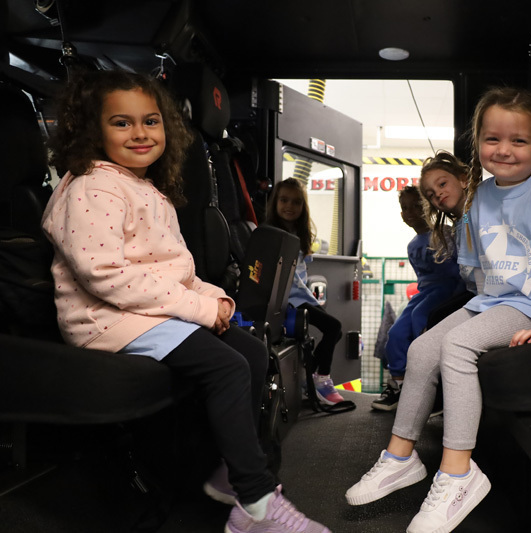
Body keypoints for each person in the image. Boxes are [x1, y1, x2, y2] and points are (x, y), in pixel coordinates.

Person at [41, 69, 329, 533]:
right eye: (121, 122)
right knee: (228, 365)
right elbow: (104, 276)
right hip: (107, 320)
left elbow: (176, 270)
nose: (140, 133)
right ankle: (253, 504)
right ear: (92, 129)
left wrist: (217, 302)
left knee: (251, 352)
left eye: (150, 121)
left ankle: (224, 467)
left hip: (143, 314)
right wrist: (197, 309)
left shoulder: (147, 189)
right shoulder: (92, 187)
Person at [345, 87, 531, 533]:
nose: (504, 150)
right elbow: (477, 274)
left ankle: (459, 473)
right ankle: (400, 459)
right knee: (423, 349)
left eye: (520, 141)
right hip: (496, 301)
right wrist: (483, 304)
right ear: (477, 141)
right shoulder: (480, 197)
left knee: (457, 345)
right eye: (493, 139)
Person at [372, 174, 465, 411]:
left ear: (429, 206)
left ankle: (427, 385)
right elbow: (423, 280)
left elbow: (457, 271)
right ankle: (400, 385)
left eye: (416, 205)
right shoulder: (412, 245)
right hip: (426, 293)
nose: (410, 212)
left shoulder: (445, 233)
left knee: (419, 322)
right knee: (395, 333)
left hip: (449, 291)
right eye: (405, 208)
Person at [265, 178, 347, 407]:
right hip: (288, 301)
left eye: (296, 202)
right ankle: (320, 378)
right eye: (283, 200)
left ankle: (308, 372)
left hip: (302, 296)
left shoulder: (300, 234)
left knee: (334, 331)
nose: (289, 206)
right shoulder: (272, 234)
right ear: (275, 203)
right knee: (334, 327)